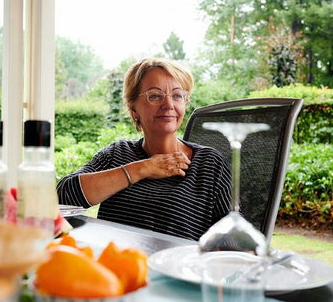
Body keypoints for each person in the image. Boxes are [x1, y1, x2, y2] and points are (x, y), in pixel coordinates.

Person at [57, 57, 231, 240]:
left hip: (175, 267)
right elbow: (63, 196)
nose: (169, 104)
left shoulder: (208, 162)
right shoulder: (118, 153)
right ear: (133, 109)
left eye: (177, 95)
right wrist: (142, 168)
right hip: (121, 264)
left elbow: (233, 239)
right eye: (155, 95)